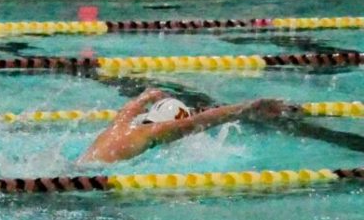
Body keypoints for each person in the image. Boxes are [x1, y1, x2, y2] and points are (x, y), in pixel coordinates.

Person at [78, 88, 295, 164]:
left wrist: (149, 95)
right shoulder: (155, 131)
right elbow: (200, 121)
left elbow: (129, 108)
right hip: (90, 178)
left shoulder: (123, 124)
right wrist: (249, 107)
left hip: (78, 168)